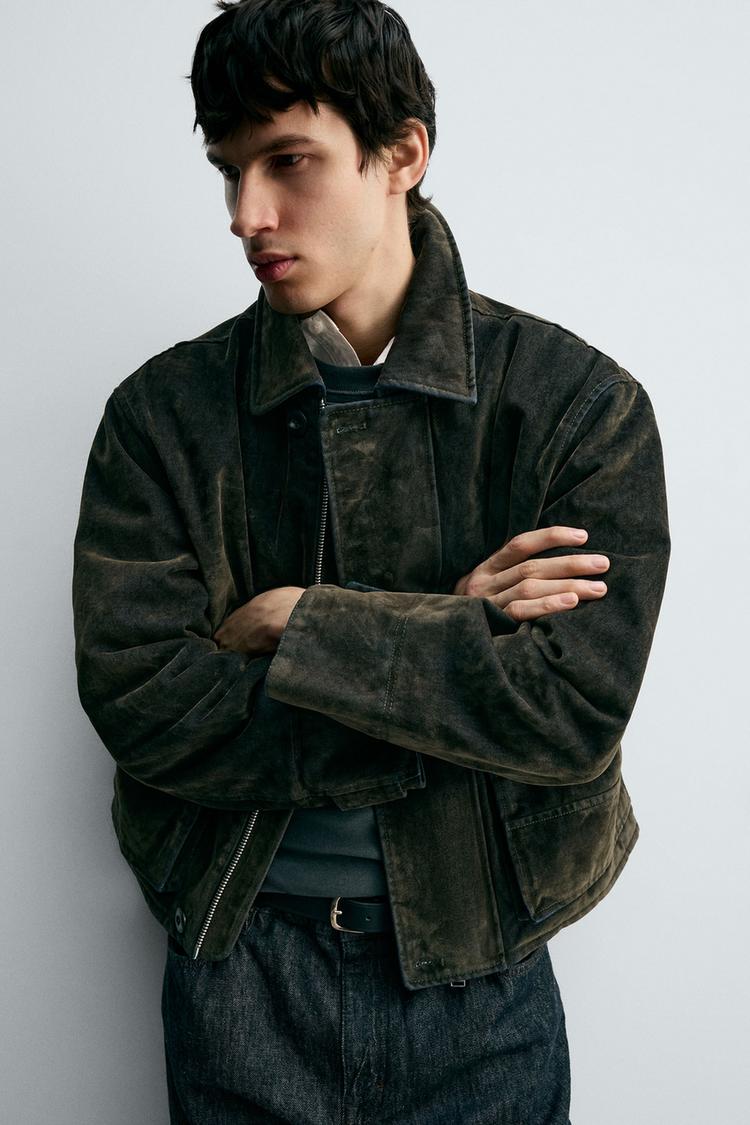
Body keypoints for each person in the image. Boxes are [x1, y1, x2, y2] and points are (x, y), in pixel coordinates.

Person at [71, 1, 671, 1121]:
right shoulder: (163, 416)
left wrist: (294, 620)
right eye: (229, 170)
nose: (247, 214)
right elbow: (145, 702)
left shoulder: (577, 407)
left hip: (483, 980)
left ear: (402, 153)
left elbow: (567, 711)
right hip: (241, 964)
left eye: (288, 161)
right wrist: (452, 628)